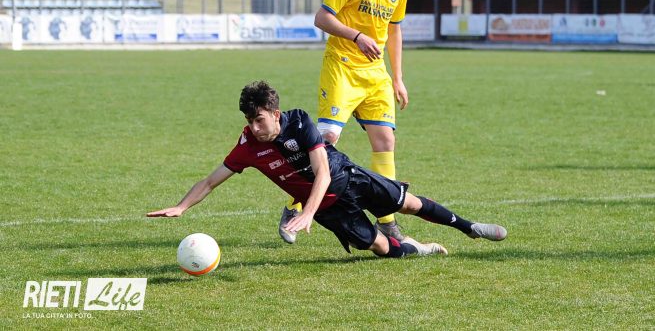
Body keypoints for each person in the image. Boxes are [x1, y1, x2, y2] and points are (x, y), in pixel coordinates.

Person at [147, 81, 507, 259]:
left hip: (347, 177)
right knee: (381, 248)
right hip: (331, 209)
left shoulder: (299, 122)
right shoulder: (248, 146)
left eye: (259, 120)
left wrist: (306, 212)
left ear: (275, 114)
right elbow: (210, 181)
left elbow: (322, 173)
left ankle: (469, 227)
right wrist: (182, 206)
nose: (254, 127)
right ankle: (420, 249)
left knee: (408, 204)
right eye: (249, 121)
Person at [278, 0, 411, 244]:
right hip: (342, 66)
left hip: (375, 74)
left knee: (385, 142)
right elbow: (322, 18)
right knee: (327, 139)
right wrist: (357, 36)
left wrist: (398, 78)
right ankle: (295, 204)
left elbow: (394, 31)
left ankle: (387, 221)